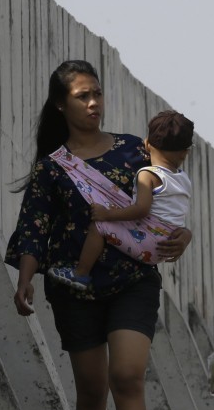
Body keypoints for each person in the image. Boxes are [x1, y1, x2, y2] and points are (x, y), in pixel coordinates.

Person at [5, 60, 192, 410]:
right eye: (82, 96)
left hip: (133, 281)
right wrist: (25, 279)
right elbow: (34, 227)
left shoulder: (135, 149)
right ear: (59, 105)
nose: (93, 103)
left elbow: (173, 199)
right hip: (74, 287)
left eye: (97, 94)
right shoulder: (52, 167)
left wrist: (186, 236)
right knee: (91, 390)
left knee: (127, 374)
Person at [47, 109, 194, 290]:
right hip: (168, 240)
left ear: (147, 145)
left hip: (150, 241)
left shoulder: (147, 175)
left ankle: (80, 274)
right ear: (184, 153)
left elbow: (141, 209)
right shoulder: (183, 178)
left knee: (99, 227)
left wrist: (107, 214)